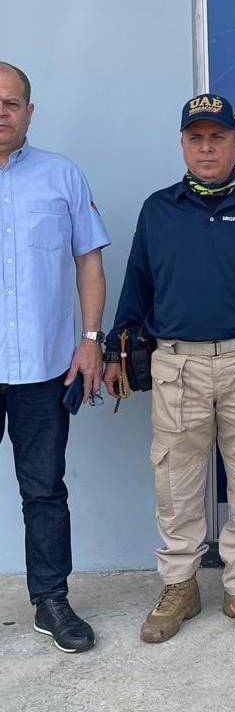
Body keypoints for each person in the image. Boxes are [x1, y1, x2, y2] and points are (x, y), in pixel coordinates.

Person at [103, 93, 235, 643]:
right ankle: (180, 585)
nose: (207, 147)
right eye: (197, 138)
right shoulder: (158, 209)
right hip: (177, 365)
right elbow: (137, 284)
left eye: (218, 137)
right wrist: (116, 350)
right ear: (183, 145)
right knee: (175, 478)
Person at [0, 62, 109, 653]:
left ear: (29, 111)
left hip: (44, 368)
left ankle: (50, 600)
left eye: (11, 103)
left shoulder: (62, 175)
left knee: (44, 489)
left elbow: (89, 259)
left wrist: (90, 339)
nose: (1, 112)